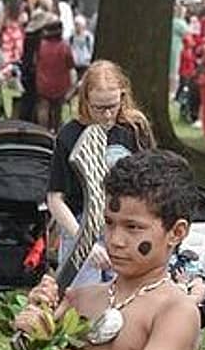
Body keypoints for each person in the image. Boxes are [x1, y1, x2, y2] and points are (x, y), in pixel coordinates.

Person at [12, 150, 200, 350]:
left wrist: (54, 347)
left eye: (133, 227)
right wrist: (36, 336)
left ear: (176, 232)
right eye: (109, 223)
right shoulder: (82, 299)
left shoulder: (176, 310)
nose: (115, 239)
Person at [47, 60, 156, 288]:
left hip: (126, 223)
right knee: (81, 306)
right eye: (99, 108)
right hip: (80, 224)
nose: (107, 115)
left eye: (113, 106)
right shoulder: (70, 135)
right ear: (85, 101)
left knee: (124, 304)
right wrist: (84, 241)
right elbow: (55, 199)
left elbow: (151, 183)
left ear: (122, 98)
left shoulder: (133, 129)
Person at [35, 17, 73, 131]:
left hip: (43, 82)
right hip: (60, 83)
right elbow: (71, 63)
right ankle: (55, 130)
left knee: (43, 107)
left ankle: (42, 130)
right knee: (57, 108)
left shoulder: (40, 45)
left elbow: (35, 61)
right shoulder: (65, 47)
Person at [69, 15, 93, 79]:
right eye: (75, 24)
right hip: (74, 64)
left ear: (83, 25)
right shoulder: (71, 37)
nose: (77, 26)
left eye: (78, 24)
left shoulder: (88, 37)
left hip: (85, 63)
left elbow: (91, 49)